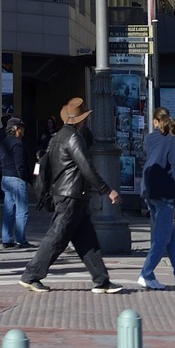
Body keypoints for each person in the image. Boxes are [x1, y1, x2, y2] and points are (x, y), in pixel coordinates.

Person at [20, 97, 122, 295]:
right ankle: (30, 275)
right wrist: (107, 190)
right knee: (57, 237)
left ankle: (101, 280)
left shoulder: (56, 137)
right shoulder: (74, 138)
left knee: (87, 240)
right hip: (71, 196)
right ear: (81, 120)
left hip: (68, 195)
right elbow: (86, 168)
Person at [138, 108, 175, 291]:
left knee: (170, 238)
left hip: (150, 191)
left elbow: (160, 146)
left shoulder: (150, 138)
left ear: (155, 122)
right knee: (162, 238)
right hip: (166, 194)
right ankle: (146, 274)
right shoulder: (173, 141)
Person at [0, 116, 33, 248]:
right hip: (17, 179)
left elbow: (0, 162)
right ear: (16, 129)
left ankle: (6, 239)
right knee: (22, 210)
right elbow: (20, 165)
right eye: (22, 129)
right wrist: (26, 179)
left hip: (5, 179)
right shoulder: (18, 144)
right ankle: (20, 239)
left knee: (9, 211)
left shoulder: (3, 143)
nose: (23, 132)